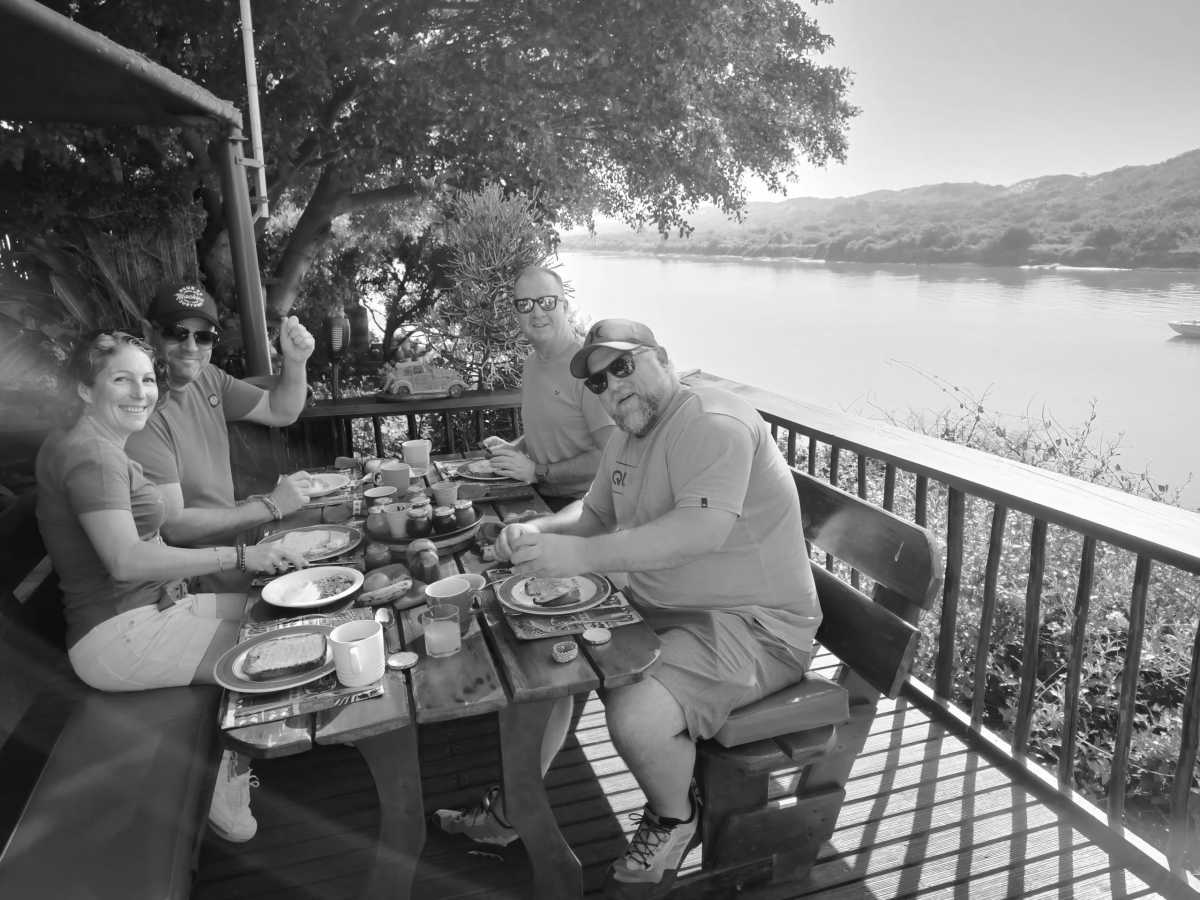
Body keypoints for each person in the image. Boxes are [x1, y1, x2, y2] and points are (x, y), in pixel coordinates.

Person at [444, 318, 823, 899]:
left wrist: (580, 556)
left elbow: (700, 530)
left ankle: (674, 818)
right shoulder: (628, 434)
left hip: (756, 625)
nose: (613, 386)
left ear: (662, 358)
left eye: (623, 365)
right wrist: (539, 530)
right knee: (541, 657)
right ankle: (517, 806)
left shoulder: (712, 422)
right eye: (598, 381)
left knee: (636, 714)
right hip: (663, 605)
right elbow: (595, 514)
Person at [35, 330, 309, 842]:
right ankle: (225, 769)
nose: (140, 393)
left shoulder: (97, 444)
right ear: (85, 389)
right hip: (122, 635)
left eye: (146, 380)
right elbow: (125, 560)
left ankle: (249, 740)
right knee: (278, 647)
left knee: (280, 610)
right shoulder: (93, 456)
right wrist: (240, 555)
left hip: (156, 609)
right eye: (122, 380)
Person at [125, 282, 316, 581]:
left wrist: (295, 361)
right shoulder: (140, 410)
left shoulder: (208, 379)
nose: (191, 347)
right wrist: (270, 505)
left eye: (204, 337)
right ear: (148, 333)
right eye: (176, 333)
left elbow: (280, 410)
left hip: (240, 548)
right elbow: (174, 526)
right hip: (197, 577)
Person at [482, 266, 616, 510]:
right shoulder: (531, 364)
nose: (537, 313)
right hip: (540, 495)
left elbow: (610, 454)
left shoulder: (589, 367)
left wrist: (537, 471)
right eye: (525, 304)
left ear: (564, 306)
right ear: (517, 313)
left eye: (546, 302)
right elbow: (555, 427)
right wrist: (515, 448)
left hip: (586, 506)